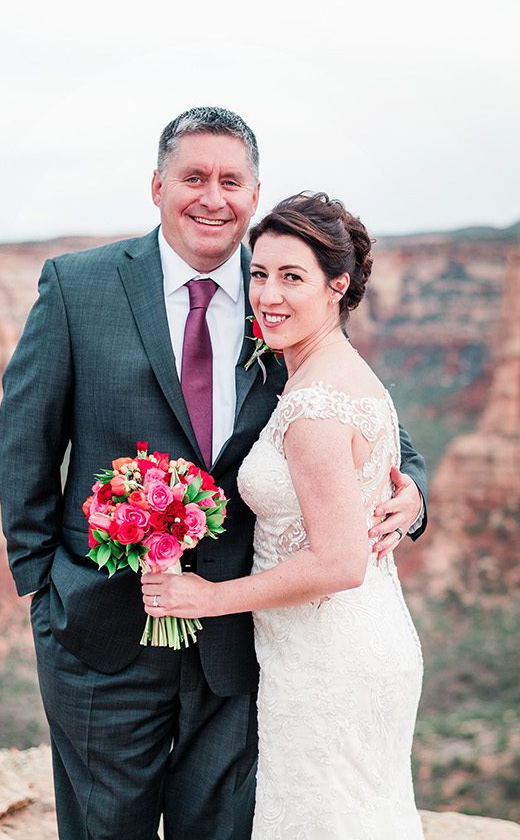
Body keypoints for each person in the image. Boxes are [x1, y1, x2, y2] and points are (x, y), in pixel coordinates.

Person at [0, 107, 428, 839]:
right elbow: (25, 440)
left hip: (239, 654)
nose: (212, 196)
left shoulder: (280, 298)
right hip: (100, 630)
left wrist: (412, 488)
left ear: (255, 194)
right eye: (193, 177)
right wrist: (45, 586)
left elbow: (360, 410)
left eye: (231, 180)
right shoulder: (78, 287)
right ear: (157, 184)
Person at [142, 191, 423, 838]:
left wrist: (206, 598)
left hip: (329, 659)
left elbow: (340, 561)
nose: (268, 294)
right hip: (351, 640)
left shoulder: (316, 406)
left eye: (292, 276)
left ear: (337, 285)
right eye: (260, 273)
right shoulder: (327, 369)